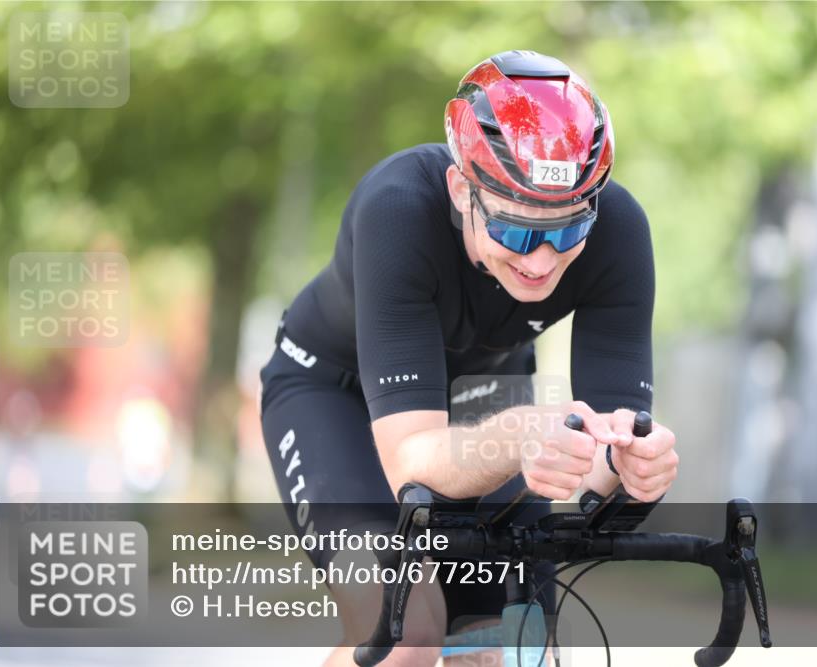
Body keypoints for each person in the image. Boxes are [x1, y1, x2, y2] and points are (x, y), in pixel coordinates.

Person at [259, 50, 679, 667]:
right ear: (463, 189)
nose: (540, 260)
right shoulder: (397, 208)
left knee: (509, 644)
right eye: (514, 229)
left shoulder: (617, 230)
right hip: (334, 396)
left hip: (484, 391)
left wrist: (633, 467)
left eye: (565, 232)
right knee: (405, 630)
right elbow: (412, 462)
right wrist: (517, 437)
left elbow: (604, 463)